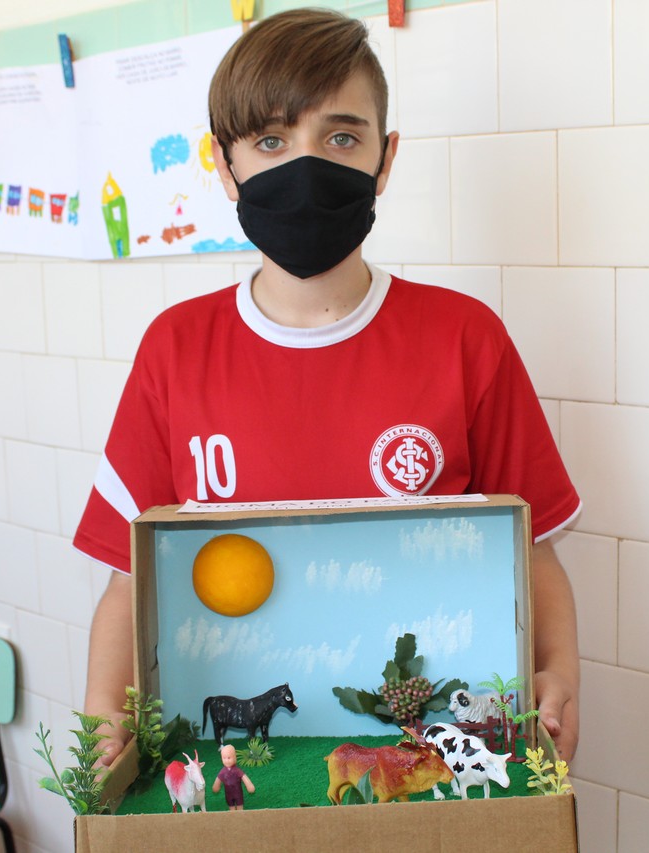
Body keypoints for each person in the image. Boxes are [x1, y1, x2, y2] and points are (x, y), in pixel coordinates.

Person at [74, 7, 582, 765]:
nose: (305, 167)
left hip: (430, 764)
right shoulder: (174, 350)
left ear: (385, 158)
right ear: (223, 165)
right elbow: (127, 582)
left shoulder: (466, 339)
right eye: (270, 141)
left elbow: (532, 552)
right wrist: (103, 724)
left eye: (341, 137)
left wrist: (560, 674)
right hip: (236, 778)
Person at [212, 743, 256, 810]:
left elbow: (244, 777)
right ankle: (232, 814)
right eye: (224, 758)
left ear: (234, 757)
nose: (227, 760)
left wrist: (249, 786)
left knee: (239, 806)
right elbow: (218, 780)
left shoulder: (237, 771)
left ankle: (240, 814)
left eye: (229, 758)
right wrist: (216, 787)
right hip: (228, 794)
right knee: (231, 807)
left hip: (238, 792)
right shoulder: (223, 772)